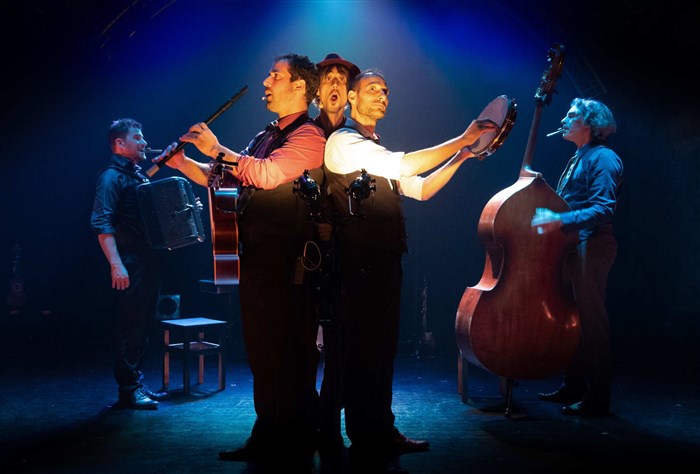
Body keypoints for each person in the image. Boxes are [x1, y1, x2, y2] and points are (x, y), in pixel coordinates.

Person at [322, 69, 497, 462]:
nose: (382, 95)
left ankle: (377, 430)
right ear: (352, 98)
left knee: (380, 350)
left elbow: (420, 188)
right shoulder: (345, 142)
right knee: (364, 351)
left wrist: (461, 157)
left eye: (386, 90)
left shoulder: (373, 151)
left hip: (381, 262)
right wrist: (462, 139)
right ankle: (366, 435)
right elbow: (406, 167)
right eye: (372, 89)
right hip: (358, 265)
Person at [157, 53, 325, 463]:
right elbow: (223, 178)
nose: (266, 81)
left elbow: (266, 174)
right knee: (262, 353)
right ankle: (268, 434)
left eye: (275, 75)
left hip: (290, 265)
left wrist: (216, 148)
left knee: (289, 352)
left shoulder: (310, 136)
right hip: (258, 259)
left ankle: (298, 437)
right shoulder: (265, 134)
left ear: (299, 86)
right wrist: (182, 162)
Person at [531, 97, 623, 417]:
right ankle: (573, 385)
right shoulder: (578, 157)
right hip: (574, 245)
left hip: (592, 244)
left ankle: (598, 396)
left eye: (572, 116)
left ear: (591, 124)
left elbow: (603, 209)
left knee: (591, 321)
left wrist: (559, 220)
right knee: (572, 318)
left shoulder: (604, 158)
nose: (564, 120)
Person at [90, 118, 169, 410]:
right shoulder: (111, 177)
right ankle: (128, 389)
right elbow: (102, 223)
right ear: (120, 144)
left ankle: (135, 382)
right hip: (130, 260)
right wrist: (116, 264)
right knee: (130, 325)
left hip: (147, 259)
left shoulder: (137, 176)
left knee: (143, 325)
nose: (144, 142)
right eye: (137, 138)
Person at [313, 52, 361, 137]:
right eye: (328, 78)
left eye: (341, 79)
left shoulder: (358, 136)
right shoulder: (303, 134)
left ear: (349, 92)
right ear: (317, 90)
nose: (335, 84)